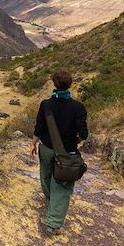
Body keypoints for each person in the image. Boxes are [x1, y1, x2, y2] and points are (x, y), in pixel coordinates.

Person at [29, 70, 88, 236]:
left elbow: (39, 128)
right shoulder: (79, 108)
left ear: (54, 84)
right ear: (70, 85)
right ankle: (53, 224)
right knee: (62, 186)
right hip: (67, 153)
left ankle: (50, 200)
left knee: (46, 176)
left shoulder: (46, 105)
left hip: (46, 148)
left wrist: (33, 144)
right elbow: (84, 134)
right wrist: (73, 141)